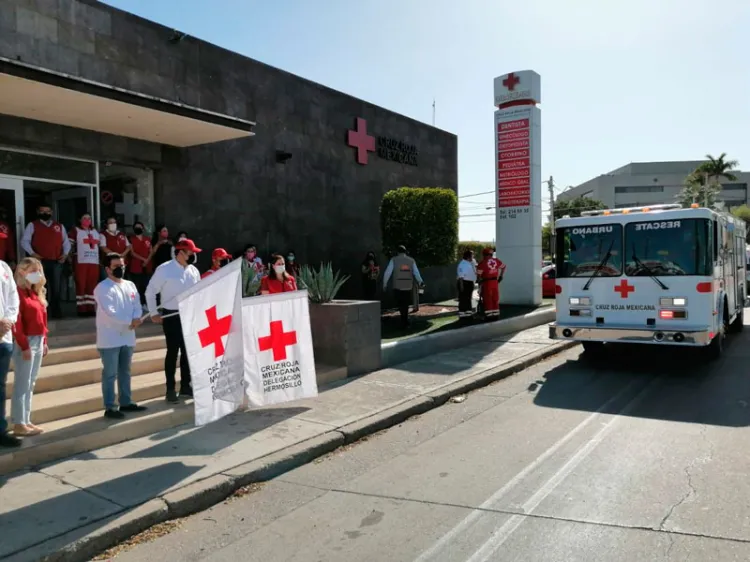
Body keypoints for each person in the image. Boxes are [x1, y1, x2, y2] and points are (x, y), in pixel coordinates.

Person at [145, 238, 201, 403]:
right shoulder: (164, 269)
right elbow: (150, 291)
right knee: (172, 352)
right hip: (171, 315)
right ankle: (170, 388)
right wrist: (153, 312)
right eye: (190, 252)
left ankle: (185, 386)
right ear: (180, 252)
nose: (192, 256)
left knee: (187, 353)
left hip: (189, 315)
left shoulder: (193, 271)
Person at [94, 253, 147, 419]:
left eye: (122, 265)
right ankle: (110, 407)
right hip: (109, 338)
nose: (121, 269)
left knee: (125, 371)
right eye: (116, 266)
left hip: (128, 336)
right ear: (107, 269)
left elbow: (137, 305)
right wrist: (129, 322)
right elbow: (110, 312)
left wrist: (137, 318)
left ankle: (126, 401)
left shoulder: (130, 285)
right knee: (110, 373)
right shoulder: (102, 288)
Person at [11, 257, 48, 435]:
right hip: (26, 342)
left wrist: (45, 341)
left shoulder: (36, 293)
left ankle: (26, 419)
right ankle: (18, 422)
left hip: (39, 340)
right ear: (22, 271)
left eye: (38, 270)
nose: (37, 274)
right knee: (22, 383)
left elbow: (43, 319)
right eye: (33, 270)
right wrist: (24, 345)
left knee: (30, 383)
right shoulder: (17, 293)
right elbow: (16, 323)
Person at [21, 203, 70, 319]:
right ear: (38, 212)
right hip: (39, 263)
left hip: (56, 262)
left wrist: (65, 255)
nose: (45, 213)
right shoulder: (32, 225)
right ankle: (41, 313)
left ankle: (57, 312)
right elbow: (24, 241)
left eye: (48, 211)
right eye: (42, 211)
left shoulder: (59, 226)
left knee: (56, 288)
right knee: (40, 287)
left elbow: (66, 243)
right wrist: (32, 253)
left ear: (51, 212)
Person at [0, 257, 19, 447]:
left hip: (4, 338)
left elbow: (13, 297)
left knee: (0, 386)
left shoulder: (3, 266)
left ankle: (0, 429)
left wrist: (8, 320)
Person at [68, 213, 101, 317]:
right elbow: (69, 246)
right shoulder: (75, 230)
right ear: (80, 220)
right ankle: (82, 309)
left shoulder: (95, 231)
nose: (87, 220)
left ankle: (91, 308)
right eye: (84, 218)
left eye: (89, 218)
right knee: (81, 284)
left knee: (92, 285)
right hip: (80, 261)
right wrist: (68, 257)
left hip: (94, 262)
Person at [383, 245, 424, 327]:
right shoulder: (411, 260)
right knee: (406, 303)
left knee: (400, 303)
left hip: (397, 286)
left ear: (397, 252)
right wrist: (420, 282)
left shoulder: (393, 260)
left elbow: (388, 272)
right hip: (408, 285)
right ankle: (405, 320)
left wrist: (385, 284)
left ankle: (403, 320)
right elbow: (416, 273)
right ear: (405, 252)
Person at [476, 247, 506, 319]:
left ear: (484, 254)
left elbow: (479, 275)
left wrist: (479, 284)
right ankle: (496, 315)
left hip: (487, 283)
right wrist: (501, 276)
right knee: (495, 298)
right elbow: (504, 267)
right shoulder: (496, 261)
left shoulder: (482, 263)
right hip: (495, 282)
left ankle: (489, 316)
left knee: (487, 298)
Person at [128, 221, 151, 305]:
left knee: (146, 285)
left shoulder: (147, 239)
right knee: (136, 286)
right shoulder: (131, 239)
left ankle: (145, 303)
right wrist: (143, 259)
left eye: (140, 227)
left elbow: (151, 251)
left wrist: (147, 260)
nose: (138, 228)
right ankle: (137, 303)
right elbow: (132, 253)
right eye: (136, 227)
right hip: (136, 266)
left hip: (147, 266)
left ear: (143, 228)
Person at [457, 250, 477, 320]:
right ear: (468, 257)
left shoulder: (470, 262)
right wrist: (462, 286)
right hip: (464, 283)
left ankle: (468, 315)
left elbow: (475, 266)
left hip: (469, 283)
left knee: (468, 299)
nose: (473, 257)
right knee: (463, 299)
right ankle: (463, 315)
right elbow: (461, 277)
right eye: (472, 255)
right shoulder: (463, 264)